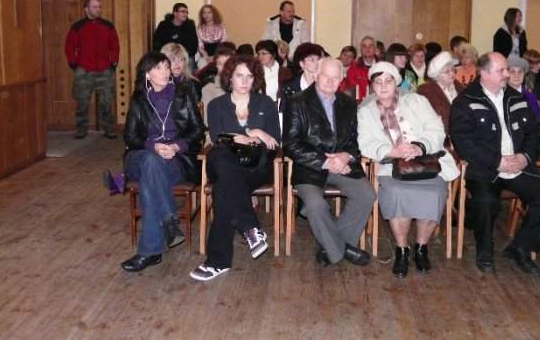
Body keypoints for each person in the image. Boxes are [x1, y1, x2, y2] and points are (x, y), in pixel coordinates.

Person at [450, 52, 540, 276]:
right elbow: (463, 142)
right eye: (501, 70)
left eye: (506, 69)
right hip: (485, 168)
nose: (507, 74)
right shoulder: (465, 101)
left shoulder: (517, 98)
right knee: (486, 201)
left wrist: (525, 157)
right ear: (484, 73)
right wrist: (496, 161)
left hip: (518, 165)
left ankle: (521, 248)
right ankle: (484, 251)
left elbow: (535, 134)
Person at [358, 62, 459, 277]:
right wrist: (392, 151)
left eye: (388, 81)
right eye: (378, 82)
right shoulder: (365, 112)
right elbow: (364, 143)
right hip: (392, 166)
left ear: (396, 83)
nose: (383, 86)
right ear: (372, 86)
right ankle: (402, 249)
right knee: (396, 192)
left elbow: (436, 129)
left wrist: (419, 146)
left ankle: (421, 247)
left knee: (435, 192)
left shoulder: (417, 101)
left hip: (427, 163)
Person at [190, 55, 281, 282]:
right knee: (222, 157)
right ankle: (250, 227)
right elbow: (218, 138)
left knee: (223, 190)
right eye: (239, 76)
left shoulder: (266, 103)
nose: (245, 81)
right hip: (224, 162)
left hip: (254, 167)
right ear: (229, 77)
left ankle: (217, 262)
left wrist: (249, 134)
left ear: (255, 79)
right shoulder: (216, 105)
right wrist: (252, 134)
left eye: (250, 77)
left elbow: (274, 141)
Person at [283, 58, 376, 267]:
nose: (330, 81)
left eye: (336, 77)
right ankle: (343, 250)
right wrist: (324, 161)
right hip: (310, 166)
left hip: (342, 164)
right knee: (315, 204)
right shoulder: (297, 102)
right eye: (326, 76)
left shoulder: (348, 103)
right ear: (316, 75)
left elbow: (356, 140)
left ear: (342, 80)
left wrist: (346, 156)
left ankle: (330, 248)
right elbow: (290, 144)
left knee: (367, 195)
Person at [121, 52, 205, 272]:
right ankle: (168, 219)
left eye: (167, 67)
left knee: (151, 178)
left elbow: (198, 130)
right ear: (147, 74)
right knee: (151, 161)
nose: (166, 71)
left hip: (175, 160)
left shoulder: (183, 94)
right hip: (141, 156)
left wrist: (176, 146)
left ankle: (151, 250)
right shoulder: (139, 99)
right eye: (158, 68)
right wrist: (153, 146)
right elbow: (130, 136)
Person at [64, 0, 120, 139]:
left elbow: (115, 45)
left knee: (106, 101)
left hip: (104, 69)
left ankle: (109, 129)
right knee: (82, 102)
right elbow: (69, 46)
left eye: (99, 7)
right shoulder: (77, 26)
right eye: (95, 7)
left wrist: (113, 62)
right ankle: (81, 129)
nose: (98, 9)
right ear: (86, 9)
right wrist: (73, 63)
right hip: (83, 69)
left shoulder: (108, 25)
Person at [417, 51, 463, 140]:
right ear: (437, 75)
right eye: (447, 71)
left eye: (453, 70)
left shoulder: (458, 86)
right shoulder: (427, 90)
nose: (452, 74)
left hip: (462, 133)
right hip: (441, 137)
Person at [200, 47, 234, 141]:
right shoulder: (209, 89)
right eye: (220, 64)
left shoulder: (244, 86)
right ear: (216, 65)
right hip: (219, 135)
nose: (224, 67)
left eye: (227, 64)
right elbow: (208, 121)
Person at [153, 3, 198, 70]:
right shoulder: (164, 25)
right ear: (175, 13)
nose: (185, 14)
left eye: (187, 12)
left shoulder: (190, 25)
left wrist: (182, 54)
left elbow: (194, 45)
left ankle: (188, 76)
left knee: (190, 60)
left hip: (185, 55)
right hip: (167, 54)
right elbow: (157, 43)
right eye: (183, 11)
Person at [340, 36, 377, 102]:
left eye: (370, 46)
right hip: (359, 105)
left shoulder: (382, 67)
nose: (367, 48)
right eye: (364, 46)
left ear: (375, 49)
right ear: (361, 49)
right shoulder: (353, 69)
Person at [506, 56, 540, 121]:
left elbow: (538, 119)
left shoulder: (530, 96)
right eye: (512, 72)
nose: (517, 75)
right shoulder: (500, 95)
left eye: (520, 72)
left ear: (524, 75)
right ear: (506, 74)